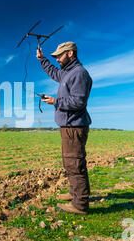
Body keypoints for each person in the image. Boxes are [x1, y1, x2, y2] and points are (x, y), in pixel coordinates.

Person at [36, 41, 93, 215]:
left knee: (75, 164)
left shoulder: (79, 73)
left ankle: (80, 204)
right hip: (68, 126)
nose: (57, 59)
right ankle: (75, 193)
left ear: (70, 53)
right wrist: (42, 59)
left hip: (74, 127)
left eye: (59, 55)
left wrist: (55, 101)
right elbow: (54, 73)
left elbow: (79, 101)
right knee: (70, 162)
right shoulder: (68, 73)